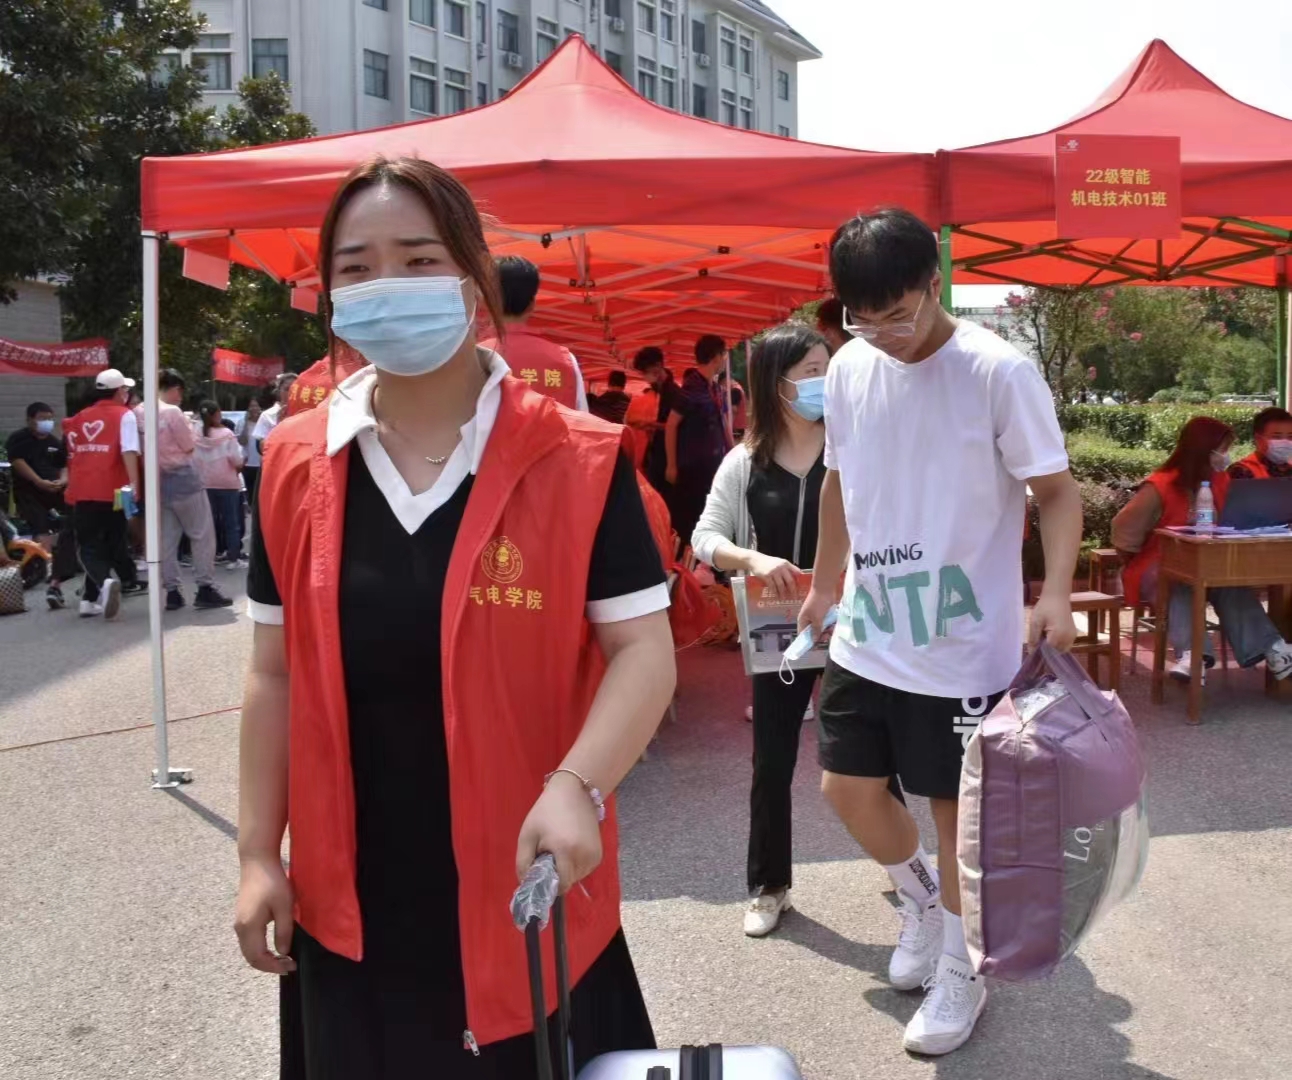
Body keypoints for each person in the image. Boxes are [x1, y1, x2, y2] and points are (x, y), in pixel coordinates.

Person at [235, 155, 676, 1079]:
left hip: (529, 887)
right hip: (350, 904)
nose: (386, 285)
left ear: (474, 282)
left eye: (418, 259)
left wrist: (579, 783)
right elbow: (272, 674)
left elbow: (642, 650)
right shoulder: (291, 463)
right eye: (356, 268)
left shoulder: (579, 459)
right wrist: (257, 855)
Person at [797, 209, 1082, 1057]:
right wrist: (823, 583)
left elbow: (1056, 492)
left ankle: (963, 968)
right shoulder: (851, 367)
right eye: (862, 319)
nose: (883, 335)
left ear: (934, 283)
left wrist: (1055, 592)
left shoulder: (998, 370)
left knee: (959, 819)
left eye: (898, 314)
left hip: (961, 642)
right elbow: (839, 481)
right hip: (871, 625)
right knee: (845, 789)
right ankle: (922, 904)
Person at [691, 324, 832, 937]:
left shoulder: (855, 448)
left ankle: (900, 864)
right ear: (777, 383)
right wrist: (751, 558)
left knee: (872, 755)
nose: (824, 383)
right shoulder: (744, 461)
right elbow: (705, 537)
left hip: (853, 619)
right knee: (772, 759)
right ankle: (769, 885)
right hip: (778, 628)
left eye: (828, 369)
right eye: (811, 372)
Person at [1115, 416, 1292, 682]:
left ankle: (1274, 650)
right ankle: (1194, 655)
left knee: (1230, 584)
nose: (1226, 455)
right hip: (1156, 566)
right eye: (1222, 449)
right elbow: (1124, 533)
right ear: (1202, 449)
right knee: (1179, 583)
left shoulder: (1221, 480)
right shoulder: (1160, 484)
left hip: (1208, 559)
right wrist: (1136, 558)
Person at [64, 369, 144, 619]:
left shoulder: (80, 417)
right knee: (109, 541)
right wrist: (135, 484)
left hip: (83, 488)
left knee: (89, 543)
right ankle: (101, 585)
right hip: (117, 490)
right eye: (125, 389)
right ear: (119, 391)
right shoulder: (124, 415)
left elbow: (73, 453)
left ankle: (91, 596)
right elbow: (129, 450)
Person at [152, 369, 233, 611]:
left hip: (156, 480)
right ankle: (205, 587)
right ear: (175, 388)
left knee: (167, 539)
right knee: (201, 534)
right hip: (184, 478)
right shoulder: (172, 412)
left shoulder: (138, 412)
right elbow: (188, 446)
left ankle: (172, 592)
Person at [480, 255, 589, 411]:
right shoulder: (565, 360)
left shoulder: (474, 358)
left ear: (487, 301)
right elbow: (581, 418)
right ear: (532, 305)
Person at [4, 401, 78, 608]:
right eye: (42, 418)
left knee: (73, 518)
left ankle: (67, 559)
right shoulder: (19, 439)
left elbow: (64, 464)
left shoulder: (54, 441)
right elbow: (18, 463)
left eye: (49, 418)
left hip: (55, 488)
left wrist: (63, 480)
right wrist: (38, 481)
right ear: (30, 420)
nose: (47, 422)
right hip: (29, 490)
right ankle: (47, 565)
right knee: (40, 525)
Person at [195, 401, 246, 570]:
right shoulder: (227, 434)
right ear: (217, 414)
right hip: (227, 483)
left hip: (205, 482)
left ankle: (207, 557)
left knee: (207, 523)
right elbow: (236, 460)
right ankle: (233, 558)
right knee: (231, 522)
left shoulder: (196, 433)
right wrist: (240, 466)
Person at [1229, 406, 1292, 480]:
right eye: (1276, 437)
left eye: (1290, 437)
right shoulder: (1241, 470)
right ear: (1258, 439)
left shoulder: (1288, 469)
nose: (1285, 442)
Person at [253, 372, 299, 457]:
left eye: (295, 388)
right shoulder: (268, 415)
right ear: (279, 391)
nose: (291, 392)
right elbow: (262, 448)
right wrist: (279, 426)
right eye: (287, 389)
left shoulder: (305, 413)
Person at [237, 399, 263, 500]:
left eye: (256, 406)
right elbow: (242, 441)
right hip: (248, 463)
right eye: (251, 406)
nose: (254, 408)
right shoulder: (242, 422)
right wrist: (246, 423)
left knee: (261, 494)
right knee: (250, 494)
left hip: (261, 463)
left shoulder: (264, 422)